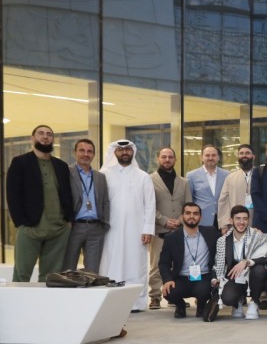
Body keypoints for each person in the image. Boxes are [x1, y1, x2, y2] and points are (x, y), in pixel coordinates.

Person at [6, 125, 73, 282]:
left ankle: (46, 306)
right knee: (22, 275)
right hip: (30, 229)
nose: (45, 137)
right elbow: (12, 194)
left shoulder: (61, 166)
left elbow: (67, 194)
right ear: (32, 138)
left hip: (58, 230)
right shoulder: (20, 162)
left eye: (49, 134)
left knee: (50, 277)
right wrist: (21, 223)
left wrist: (68, 221)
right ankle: (19, 307)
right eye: (41, 133)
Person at [100, 140, 155, 311]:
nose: (124, 152)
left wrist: (147, 229)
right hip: (111, 231)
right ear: (114, 152)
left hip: (136, 231)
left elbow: (150, 205)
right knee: (111, 263)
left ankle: (136, 303)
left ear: (133, 152)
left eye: (128, 149)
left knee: (135, 264)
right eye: (121, 149)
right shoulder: (104, 174)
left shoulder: (143, 176)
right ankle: (111, 302)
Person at [158, 202, 219, 319]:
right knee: (169, 291)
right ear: (182, 217)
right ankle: (180, 306)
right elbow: (164, 262)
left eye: (195, 214)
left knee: (206, 290)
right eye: (188, 213)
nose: (192, 216)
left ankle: (201, 306)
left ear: (200, 217)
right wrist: (167, 279)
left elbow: (227, 240)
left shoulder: (211, 233)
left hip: (204, 276)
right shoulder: (172, 237)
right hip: (181, 277)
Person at [149, 147, 189, 310]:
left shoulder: (184, 182)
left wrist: (180, 220)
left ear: (175, 160)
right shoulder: (150, 180)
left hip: (178, 230)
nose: (167, 160)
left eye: (170, 157)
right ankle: (155, 296)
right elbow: (148, 206)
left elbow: (188, 204)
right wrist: (164, 220)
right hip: (159, 229)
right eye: (164, 157)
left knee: (177, 264)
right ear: (158, 158)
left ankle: (173, 295)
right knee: (156, 264)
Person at [213, 205, 267, 319]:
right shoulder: (222, 240)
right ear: (231, 220)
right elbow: (218, 263)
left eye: (245, 219)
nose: (242, 222)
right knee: (227, 298)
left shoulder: (257, 235)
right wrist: (217, 279)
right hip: (235, 277)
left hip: (253, 276)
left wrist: (246, 262)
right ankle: (238, 301)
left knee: (259, 270)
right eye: (238, 218)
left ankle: (254, 302)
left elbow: (264, 258)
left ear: (249, 220)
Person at [64, 138, 109, 272]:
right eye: (82, 150)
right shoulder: (66, 173)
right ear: (75, 152)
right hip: (73, 227)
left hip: (96, 228)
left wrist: (104, 224)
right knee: (67, 268)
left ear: (94, 155)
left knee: (92, 271)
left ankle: (89, 293)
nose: (86, 154)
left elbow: (105, 201)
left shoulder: (100, 177)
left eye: (89, 151)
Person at [187, 144, 228, 230]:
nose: (210, 158)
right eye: (207, 155)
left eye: (213, 155)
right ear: (202, 157)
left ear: (218, 157)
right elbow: (190, 200)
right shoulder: (192, 176)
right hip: (201, 221)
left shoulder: (227, 175)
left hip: (222, 222)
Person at [217, 144, 255, 234]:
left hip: (257, 222)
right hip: (235, 224)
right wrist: (224, 224)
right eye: (241, 153)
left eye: (247, 153)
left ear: (253, 156)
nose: (244, 155)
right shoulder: (230, 178)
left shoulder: (261, 175)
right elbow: (223, 201)